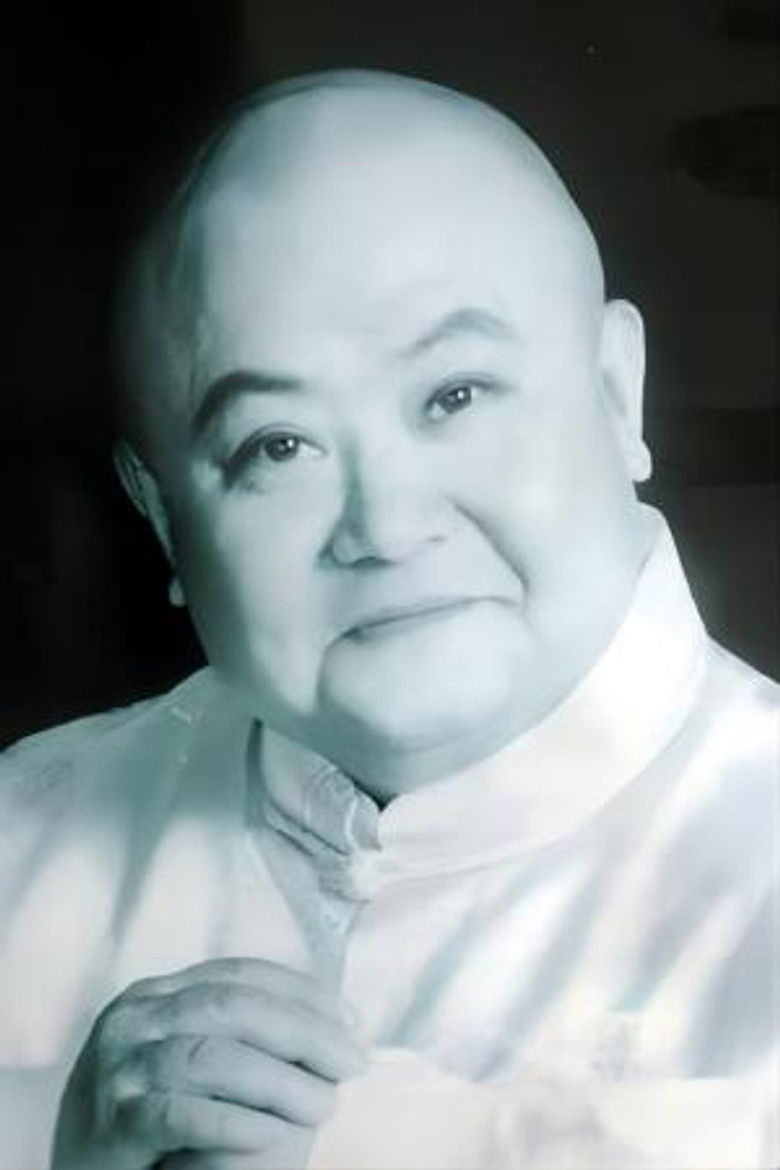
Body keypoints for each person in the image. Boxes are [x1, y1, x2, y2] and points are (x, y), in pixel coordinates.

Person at [0, 69, 777, 1170]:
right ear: (161, 515)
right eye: (277, 445)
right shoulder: (21, 840)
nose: (387, 526)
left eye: (455, 396)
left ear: (617, 392)